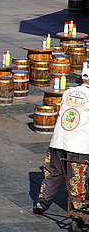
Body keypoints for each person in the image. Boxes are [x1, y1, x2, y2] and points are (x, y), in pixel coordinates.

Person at [34, 71, 89, 214]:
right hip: (78, 144)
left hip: (58, 140)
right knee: (76, 176)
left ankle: (42, 201)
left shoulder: (68, 92)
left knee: (54, 171)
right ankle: (78, 207)